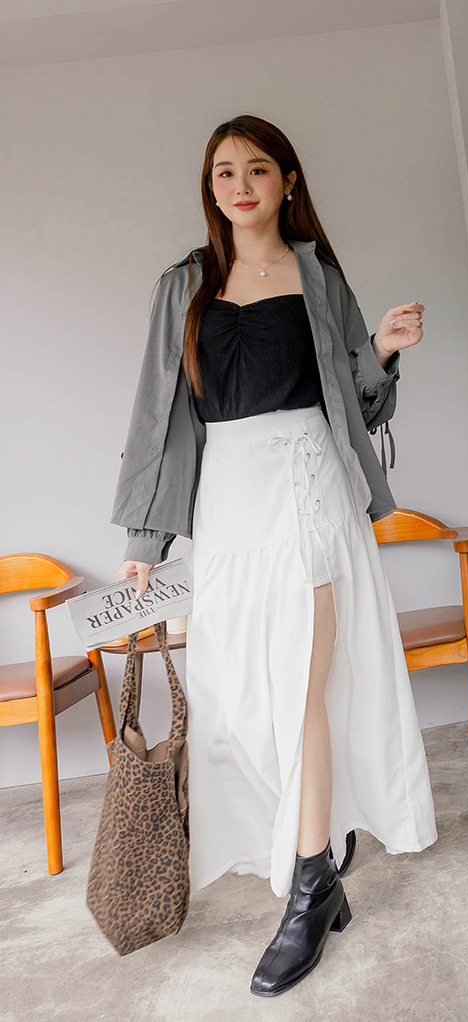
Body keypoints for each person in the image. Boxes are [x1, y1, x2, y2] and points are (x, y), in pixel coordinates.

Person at [112, 114, 438, 996]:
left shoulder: (317, 273)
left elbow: (357, 401)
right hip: (227, 501)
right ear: (210, 188)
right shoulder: (184, 285)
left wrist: (383, 352)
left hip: (308, 484)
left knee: (299, 688)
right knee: (241, 695)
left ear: (287, 180)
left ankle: (310, 885)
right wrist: (145, 541)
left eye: (257, 169)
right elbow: (156, 414)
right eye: (224, 172)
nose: (240, 185)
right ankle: (319, 847)